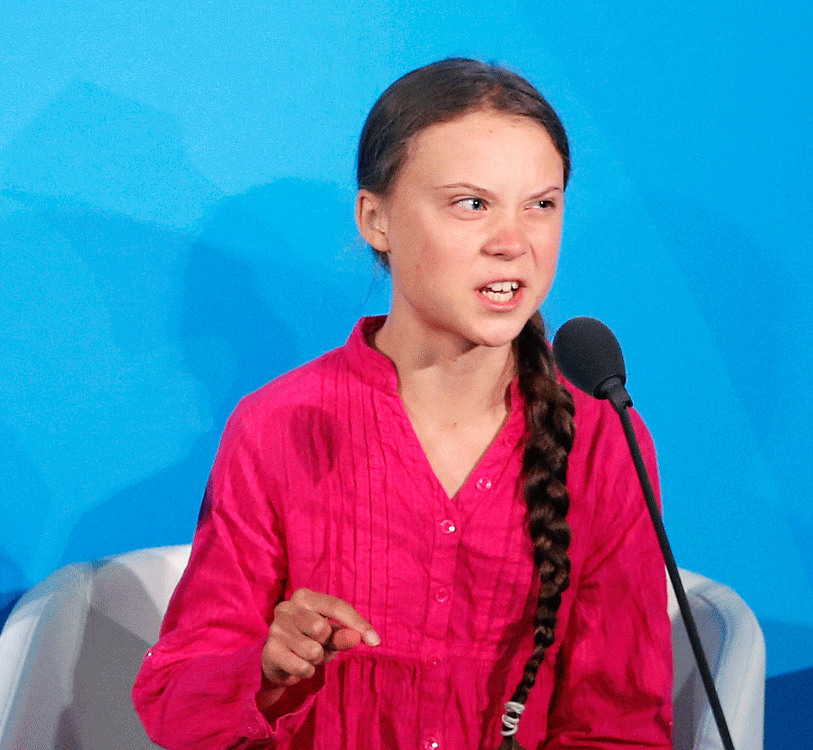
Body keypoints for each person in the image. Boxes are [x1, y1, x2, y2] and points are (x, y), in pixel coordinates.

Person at [133, 58, 673, 750]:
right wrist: (265, 671)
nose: (514, 243)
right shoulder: (277, 425)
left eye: (541, 205)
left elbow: (621, 726)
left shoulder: (601, 437)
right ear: (376, 218)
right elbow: (174, 702)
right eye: (471, 204)